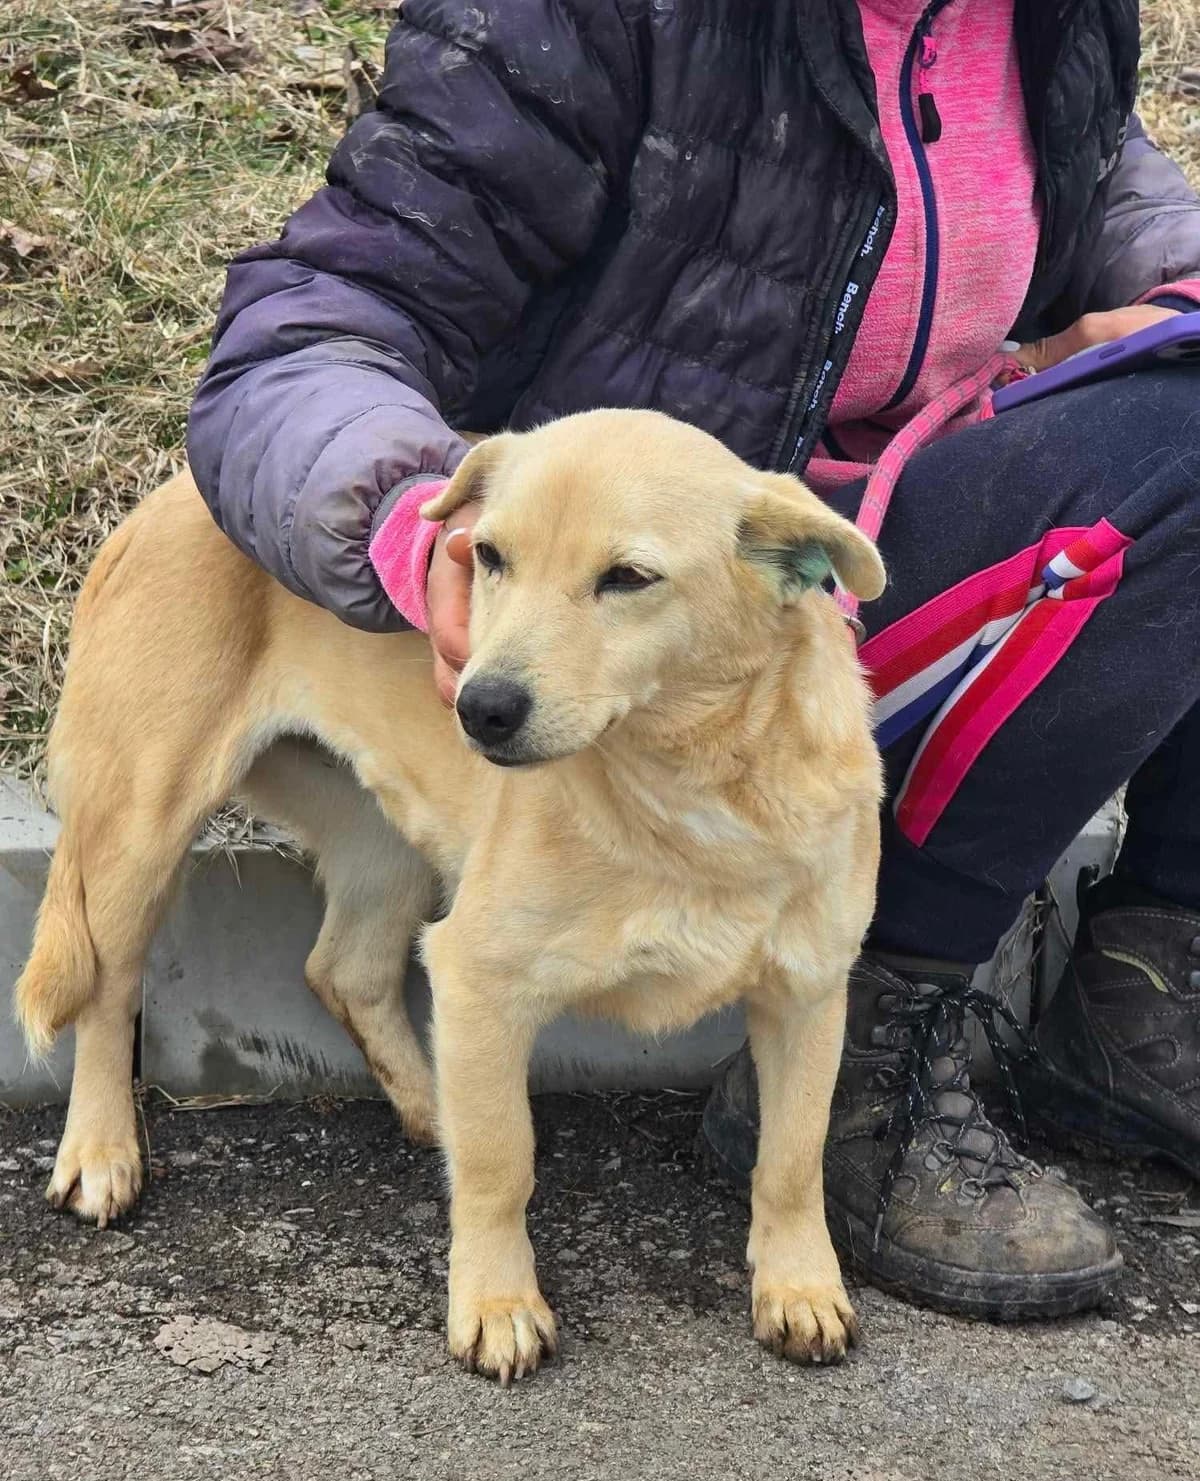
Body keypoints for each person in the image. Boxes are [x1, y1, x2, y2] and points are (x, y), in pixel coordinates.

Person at [187, 0, 1200, 1320]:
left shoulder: (1050, 18)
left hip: (845, 550)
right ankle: (886, 1053)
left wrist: (1177, 290)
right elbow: (315, 319)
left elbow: (1097, 166)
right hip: (657, 564)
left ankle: (1153, 975)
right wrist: (414, 516)